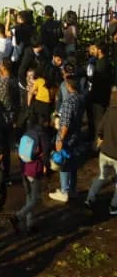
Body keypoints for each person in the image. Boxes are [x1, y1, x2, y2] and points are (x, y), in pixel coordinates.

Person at [49, 72, 85, 202]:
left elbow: (65, 124)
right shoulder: (81, 98)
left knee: (63, 163)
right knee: (73, 163)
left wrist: (60, 139)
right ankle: (72, 190)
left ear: (68, 86)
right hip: (76, 135)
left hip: (67, 137)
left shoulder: (68, 101)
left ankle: (64, 191)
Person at [11, 115, 48, 234]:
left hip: (24, 168)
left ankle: (30, 224)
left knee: (29, 196)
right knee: (35, 199)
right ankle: (18, 216)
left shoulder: (27, 133)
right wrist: (46, 166)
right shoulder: (42, 135)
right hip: (34, 170)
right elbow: (46, 153)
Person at [85, 84, 117, 215]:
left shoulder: (108, 112)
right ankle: (114, 206)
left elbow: (100, 130)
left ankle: (90, 198)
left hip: (104, 152)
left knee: (102, 176)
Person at [0, 60, 20, 184]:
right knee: (7, 148)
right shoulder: (14, 82)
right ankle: (6, 175)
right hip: (10, 119)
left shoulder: (0, 83)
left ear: (3, 67)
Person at [85, 41, 112, 140]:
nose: (93, 51)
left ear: (99, 50)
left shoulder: (100, 64)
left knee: (98, 123)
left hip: (98, 99)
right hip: (103, 98)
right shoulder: (106, 62)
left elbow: (97, 83)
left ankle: (97, 143)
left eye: (95, 48)